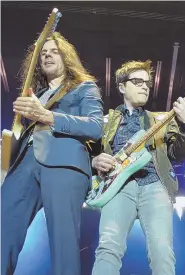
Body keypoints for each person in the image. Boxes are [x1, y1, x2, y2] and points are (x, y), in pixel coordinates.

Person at [1, 32, 104, 275]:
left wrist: (46, 116)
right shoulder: (36, 93)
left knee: (63, 243)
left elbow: (95, 126)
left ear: (66, 57)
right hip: (24, 165)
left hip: (64, 165)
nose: (47, 55)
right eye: (43, 52)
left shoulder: (84, 87)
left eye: (54, 51)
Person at [91, 60, 185, 275]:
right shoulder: (104, 121)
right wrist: (94, 161)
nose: (144, 86)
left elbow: (178, 155)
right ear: (121, 87)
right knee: (108, 248)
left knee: (162, 252)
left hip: (155, 185)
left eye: (147, 83)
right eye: (137, 81)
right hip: (118, 188)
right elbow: (86, 152)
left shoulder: (161, 119)